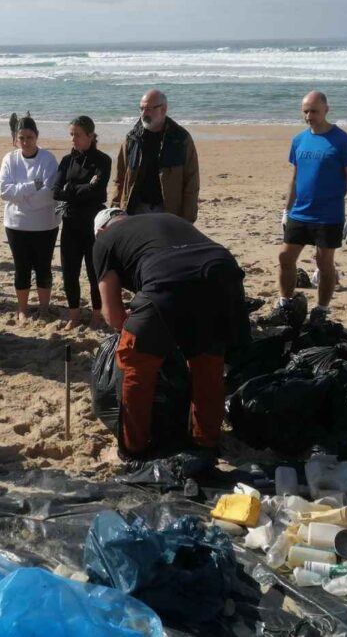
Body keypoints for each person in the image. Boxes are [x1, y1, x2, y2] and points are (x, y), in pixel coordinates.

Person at [93, 209, 250, 460]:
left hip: (168, 279)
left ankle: (134, 449)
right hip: (223, 272)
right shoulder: (162, 218)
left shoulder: (104, 240)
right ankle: (205, 443)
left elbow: (113, 315)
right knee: (208, 363)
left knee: (135, 363)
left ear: (101, 230)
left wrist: (147, 339)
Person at [260, 91, 347, 327]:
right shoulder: (299, 140)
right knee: (285, 257)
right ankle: (285, 305)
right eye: (305, 111)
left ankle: (321, 311)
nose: (309, 116)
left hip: (328, 215)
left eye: (314, 111)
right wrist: (286, 210)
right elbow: (295, 178)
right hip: (300, 212)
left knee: (324, 263)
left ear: (326, 110)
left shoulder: (342, 140)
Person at [0, 116, 59, 321]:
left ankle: (43, 308)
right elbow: (3, 191)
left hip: (45, 224)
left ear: (36, 136)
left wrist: (21, 198)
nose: (25, 141)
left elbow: (50, 193)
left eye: (29, 137)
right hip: (16, 224)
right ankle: (22, 309)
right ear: (15, 138)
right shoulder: (10, 159)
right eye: (21, 137)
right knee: (21, 267)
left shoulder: (48, 159)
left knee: (43, 267)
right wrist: (32, 186)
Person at [52, 115, 111, 329]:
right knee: (70, 272)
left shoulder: (103, 160)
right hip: (70, 223)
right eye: (71, 135)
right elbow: (56, 192)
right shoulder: (68, 161)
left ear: (90, 136)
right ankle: (74, 315)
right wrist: (81, 189)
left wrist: (71, 190)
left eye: (77, 135)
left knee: (94, 272)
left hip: (94, 224)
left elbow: (96, 190)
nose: (73, 139)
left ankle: (96, 314)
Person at [112, 89, 199, 222]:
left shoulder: (180, 139)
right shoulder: (132, 139)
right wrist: (115, 209)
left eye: (148, 109)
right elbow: (120, 178)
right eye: (141, 109)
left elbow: (191, 182)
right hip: (136, 209)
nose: (143, 113)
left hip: (168, 211)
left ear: (163, 109)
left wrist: (187, 219)